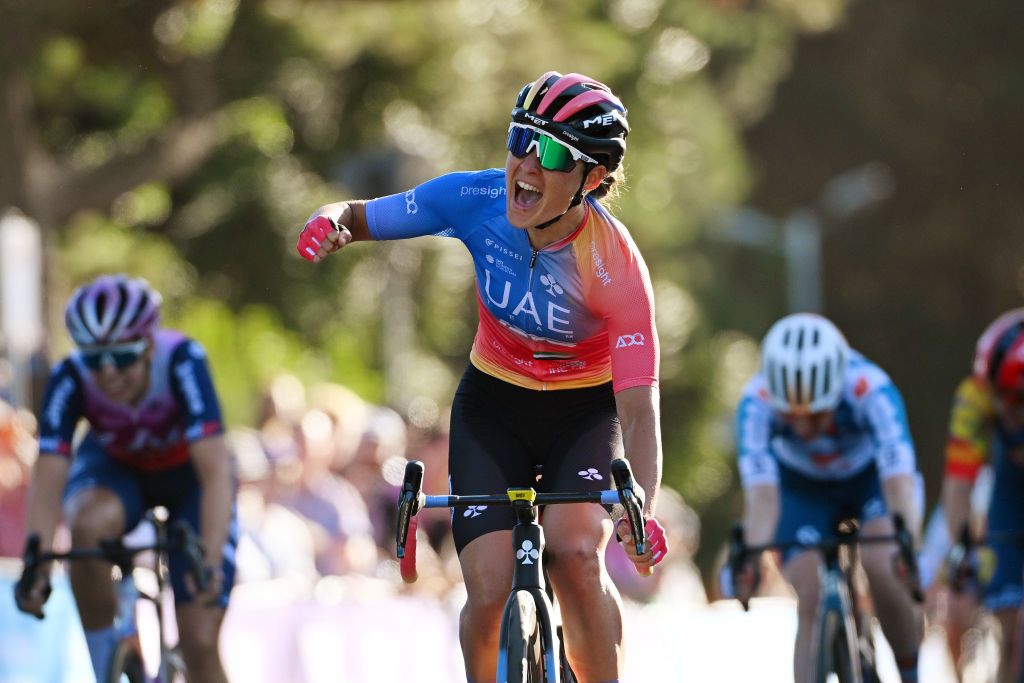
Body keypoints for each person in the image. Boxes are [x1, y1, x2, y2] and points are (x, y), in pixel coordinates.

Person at [295, 70, 669, 682]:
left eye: (550, 153)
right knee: (489, 586)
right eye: (519, 138)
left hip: (582, 412)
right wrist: (331, 222)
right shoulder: (476, 200)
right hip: (492, 404)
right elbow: (360, 216)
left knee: (576, 555)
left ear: (592, 179)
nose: (525, 163)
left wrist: (643, 509)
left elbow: (638, 405)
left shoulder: (614, 266)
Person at [14, 274, 237, 683]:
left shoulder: (183, 359)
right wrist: (37, 564)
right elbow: (48, 480)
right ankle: (107, 666)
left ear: (150, 345)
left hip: (189, 478)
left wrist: (211, 557)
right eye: (96, 360)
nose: (110, 372)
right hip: (117, 469)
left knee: (199, 643)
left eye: (123, 356)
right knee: (86, 526)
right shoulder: (69, 376)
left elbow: (216, 473)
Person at [733, 313, 923, 683]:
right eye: (792, 415)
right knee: (810, 590)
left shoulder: (872, 388)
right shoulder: (754, 403)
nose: (804, 428)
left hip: (868, 479)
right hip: (802, 487)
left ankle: (910, 673)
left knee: (883, 563)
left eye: (817, 414)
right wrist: (751, 558)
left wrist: (907, 545)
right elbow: (762, 498)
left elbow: (899, 484)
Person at [942, 308, 1024, 682]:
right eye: (997, 396)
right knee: (1007, 618)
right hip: (1010, 489)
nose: (1002, 407)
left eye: (1015, 398)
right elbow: (959, 482)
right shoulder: (975, 396)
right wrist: (963, 547)